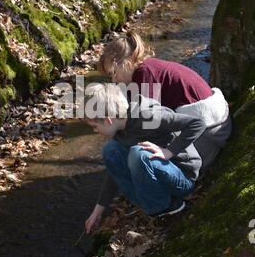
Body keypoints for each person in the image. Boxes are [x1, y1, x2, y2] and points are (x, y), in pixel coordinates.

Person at [98, 31, 232, 169]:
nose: (114, 80)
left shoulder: (144, 73)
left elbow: (147, 124)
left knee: (138, 151)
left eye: (113, 73)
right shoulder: (149, 68)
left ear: (126, 64)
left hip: (208, 136)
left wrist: (117, 133)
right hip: (217, 126)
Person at [84, 83, 206, 234]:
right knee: (111, 151)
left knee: (138, 154)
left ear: (108, 120)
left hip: (182, 178)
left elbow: (197, 123)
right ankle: (147, 203)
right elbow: (113, 173)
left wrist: (169, 152)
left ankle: (167, 206)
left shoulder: (148, 117)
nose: (95, 131)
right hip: (156, 175)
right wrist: (99, 209)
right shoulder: (120, 130)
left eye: (95, 126)